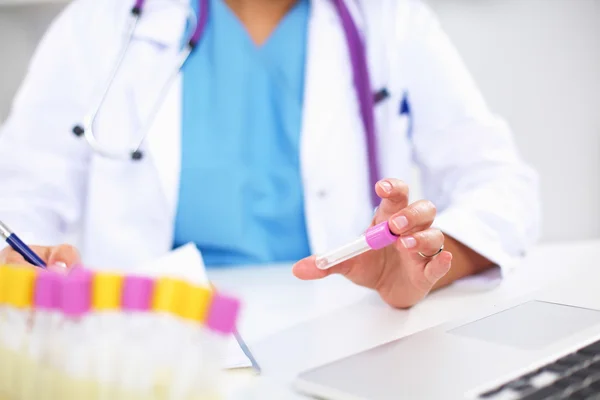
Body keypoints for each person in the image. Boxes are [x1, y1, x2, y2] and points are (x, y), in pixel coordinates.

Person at [0, 0, 540, 308]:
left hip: (339, 329)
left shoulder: (387, 19)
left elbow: (501, 185)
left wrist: (421, 266)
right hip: (152, 341)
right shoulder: (101, 24)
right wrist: (20, 261)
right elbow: (19, 197)